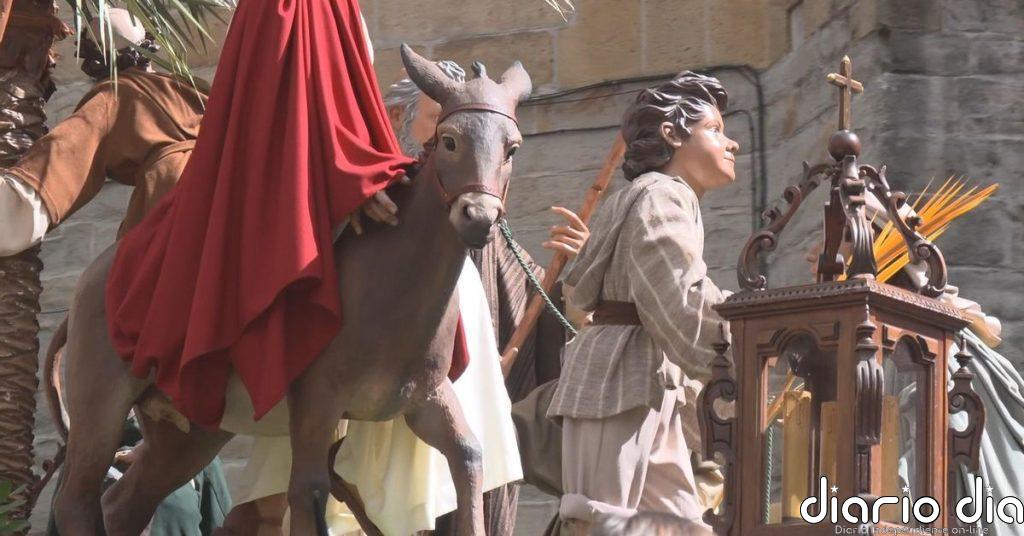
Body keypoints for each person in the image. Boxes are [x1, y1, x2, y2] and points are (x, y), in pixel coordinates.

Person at [218, 59, 590, 535]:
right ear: (398, 119)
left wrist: (580, 270)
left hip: (431, 386)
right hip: (341, 385)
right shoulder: (364, 202)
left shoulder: (481, 215)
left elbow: (533, 299)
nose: (454, 137)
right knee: (295, 502)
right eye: (440, 120)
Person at [548, 71, 738, 534]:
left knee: (676, 526)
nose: (731, 144)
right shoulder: (662, 195)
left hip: (639, 383)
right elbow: (679, 302)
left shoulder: (656, 196)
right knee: (603, 523)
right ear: (673, 135)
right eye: (715, 130)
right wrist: (753, 333)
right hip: (618, 387)